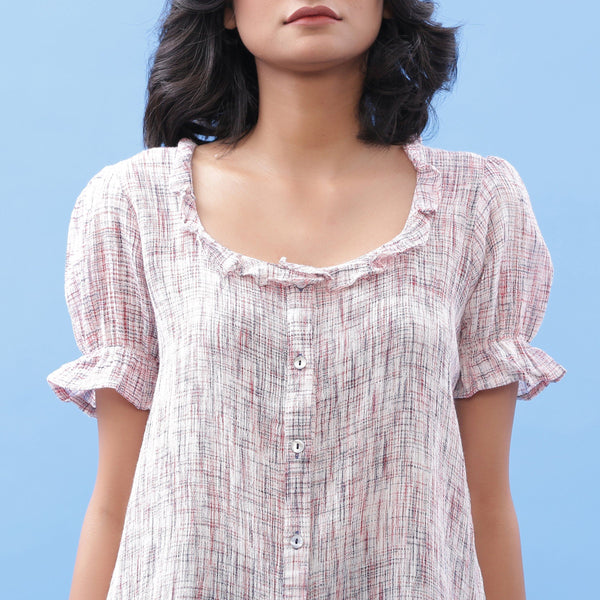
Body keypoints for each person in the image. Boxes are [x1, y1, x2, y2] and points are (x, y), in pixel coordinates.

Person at [46, 0, 567, 598]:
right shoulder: (132, 204)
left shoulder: (478, 203)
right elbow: (115, 503)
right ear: (226, 13)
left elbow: (486, 503)